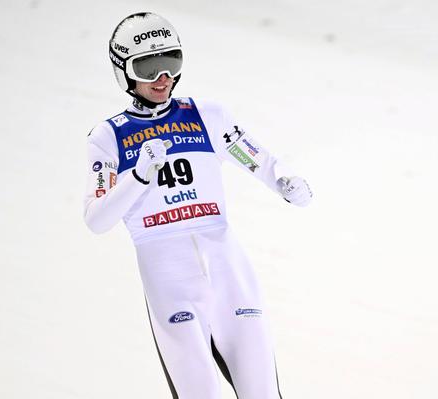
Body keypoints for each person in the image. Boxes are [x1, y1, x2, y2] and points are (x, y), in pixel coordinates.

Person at [84, 12, 313, 399]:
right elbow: (96, 219)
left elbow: (260, 159)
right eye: (148, 66)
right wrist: (138, 176)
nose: (163, 78)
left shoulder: (207, 115)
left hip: (228, 270)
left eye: (171, 62)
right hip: (170, 280)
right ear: (123, 71)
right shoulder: (109, 137)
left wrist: (286, 182)